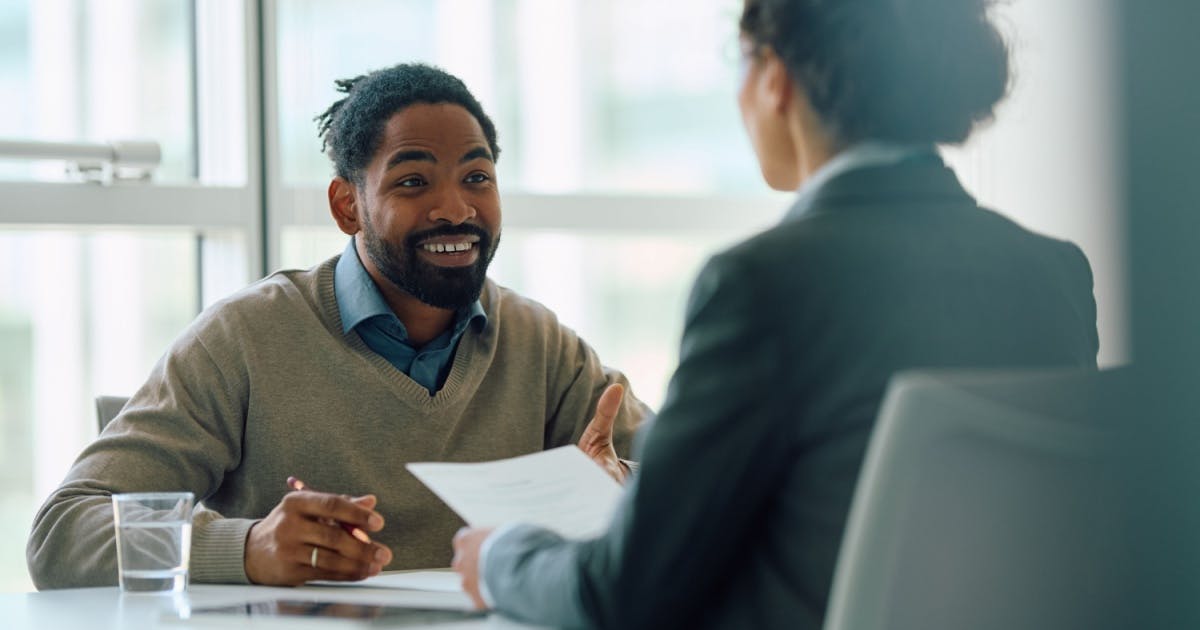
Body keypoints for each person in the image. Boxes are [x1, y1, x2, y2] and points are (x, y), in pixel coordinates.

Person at [450, 0, 1099, 627]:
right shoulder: (1053, 272)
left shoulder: (762, 283)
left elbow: (625, 594)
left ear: (776, 80)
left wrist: (503, 555)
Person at [26, 63, 650, 589]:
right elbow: (62, 532)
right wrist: (246, 548)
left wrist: (620, 497)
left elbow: (705, 487)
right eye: (412, 181)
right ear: (347, 205)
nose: (457, 209)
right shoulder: (244, 338)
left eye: (477, 178)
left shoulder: (540, 345)